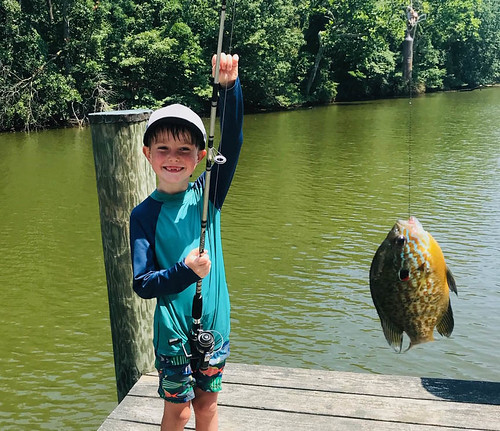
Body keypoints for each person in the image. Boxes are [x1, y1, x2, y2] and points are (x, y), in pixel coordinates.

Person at [129, 53, 243, 431]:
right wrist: (183, 271)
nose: (173, 158)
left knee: (208, 406)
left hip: (214, 326)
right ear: (147, 154)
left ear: (201, 156)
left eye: (184, 150)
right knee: (178, 411)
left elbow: (235, 139)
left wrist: (229, 89)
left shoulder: (208, 194)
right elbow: (143, 284)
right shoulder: (143, 215)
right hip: (174, 335)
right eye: (162, 149)